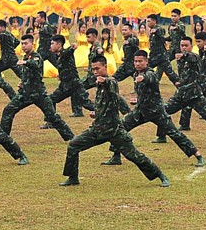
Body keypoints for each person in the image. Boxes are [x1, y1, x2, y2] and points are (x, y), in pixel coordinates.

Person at [60, 54, 171, 187]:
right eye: (93, 69)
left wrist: (104, 81)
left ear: (105, 67)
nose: (95, 72)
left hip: (114, 131)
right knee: (73, 145)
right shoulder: (98, 84)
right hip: (98, 129)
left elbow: (111, 86)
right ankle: (73, 177)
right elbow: (104, 104)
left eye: (98, 69)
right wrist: (96, 113)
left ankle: (160, 175)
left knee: (134, 156)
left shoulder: (110, 82)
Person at [103, 50, 206, 167]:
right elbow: (143, 92)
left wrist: (143, 77)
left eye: (140, 61)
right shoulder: (136, 74)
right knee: (119, 128)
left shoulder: (150, 73)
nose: (137, 64)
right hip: (140, 111)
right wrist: (138, 100)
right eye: (135, 61)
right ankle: (116, 156)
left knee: (175, 134)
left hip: (157, 112)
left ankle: (198, 156)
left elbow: (149, 77)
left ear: (146, 62)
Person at [0, 35, 74, 141]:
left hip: (38, 94)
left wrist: (26, 62)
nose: (24, 46)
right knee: (8, 110)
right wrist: (22, 82)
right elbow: (27, 73)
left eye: (26, 43)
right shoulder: (26, 57)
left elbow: (35, 64)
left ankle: (70, 137)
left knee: (52, 117)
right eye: (22, 44)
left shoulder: (36, 56)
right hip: (25, 94)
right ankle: (3, 138)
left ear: (32, 44)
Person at [146, 14, 179, 84]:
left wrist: (156, 31)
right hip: (155, 56)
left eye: (149, 21)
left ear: (154, 21)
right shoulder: (152, 31)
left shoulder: (158, 29)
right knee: (145, 70)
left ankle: (182, 89)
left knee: (171, 75)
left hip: (161, 56)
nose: (147, 23)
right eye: (147, 21)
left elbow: (161, 32)